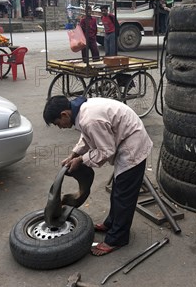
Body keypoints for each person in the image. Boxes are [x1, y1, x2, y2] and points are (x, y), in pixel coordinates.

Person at [43, 95, 153, 256]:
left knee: (123, 196)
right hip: (123, 139)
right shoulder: (81, 112)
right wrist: (73, 154)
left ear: (64, 114)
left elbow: (106, 151)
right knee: (118, 191)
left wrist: (81, 160)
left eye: (57, 123)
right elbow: (86, 136)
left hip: (132, 146)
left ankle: (118, 239)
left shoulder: (90, 119)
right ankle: (110, 224)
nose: (59, 127)